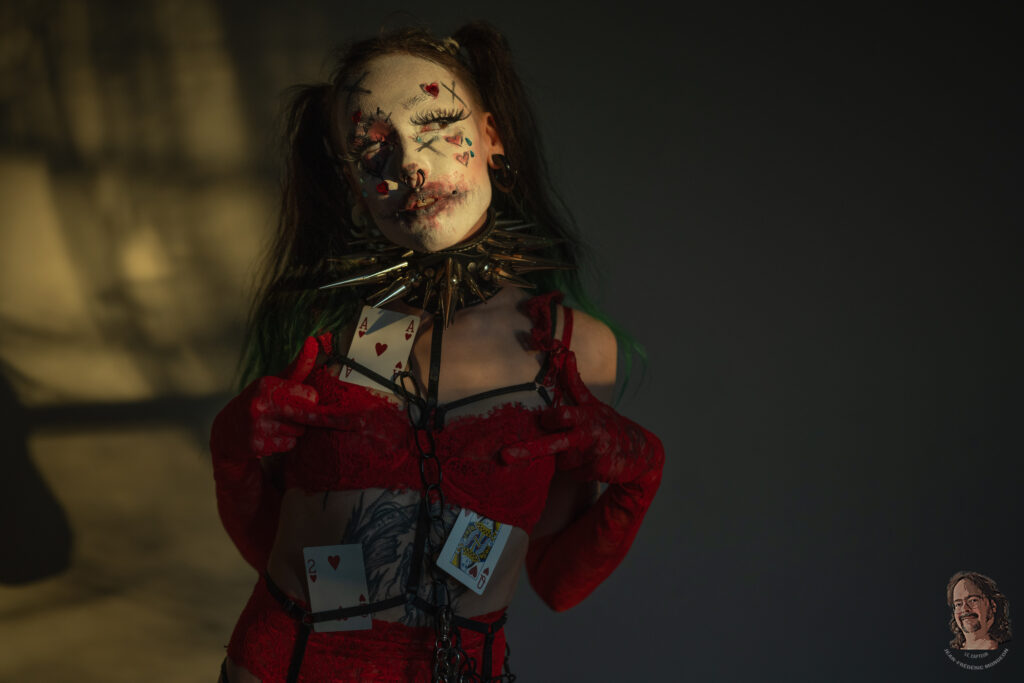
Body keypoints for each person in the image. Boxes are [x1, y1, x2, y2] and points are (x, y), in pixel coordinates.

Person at [211, 22, 664, 683]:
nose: (410, 166)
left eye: (434, 125)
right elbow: (271, 540)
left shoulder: (572, 348)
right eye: (372, 149)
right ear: (352, 183)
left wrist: (641, 475)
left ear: (491, 135)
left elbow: (557, 581)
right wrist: (231, 453)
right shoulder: (332, 327)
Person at [947, 570, 1012, 651]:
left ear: (992, 606)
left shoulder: (1008, 649)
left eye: (973, 600)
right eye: (958, 604)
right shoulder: (953, 651)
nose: (964, 609)